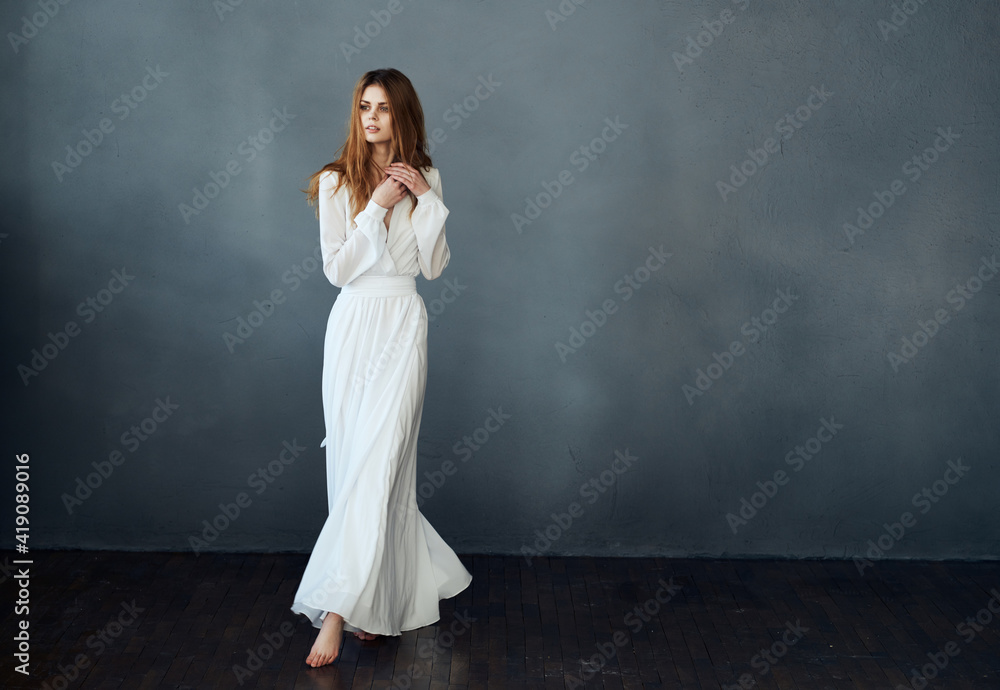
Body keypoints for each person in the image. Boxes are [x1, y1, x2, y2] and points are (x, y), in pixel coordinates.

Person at [291, 68, 472, 668]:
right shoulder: (337, 182)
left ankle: (338, 613)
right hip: (352, 329)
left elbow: (436, 266)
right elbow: (338, 270)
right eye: (364, 107)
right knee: (354, 467)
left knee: (384, 461)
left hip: (402, 323)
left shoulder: (428, 178)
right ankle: (372, 604)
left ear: (403, 115)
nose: (371, 118)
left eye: (384, 108)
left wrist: (424, 198)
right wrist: (376, 206)